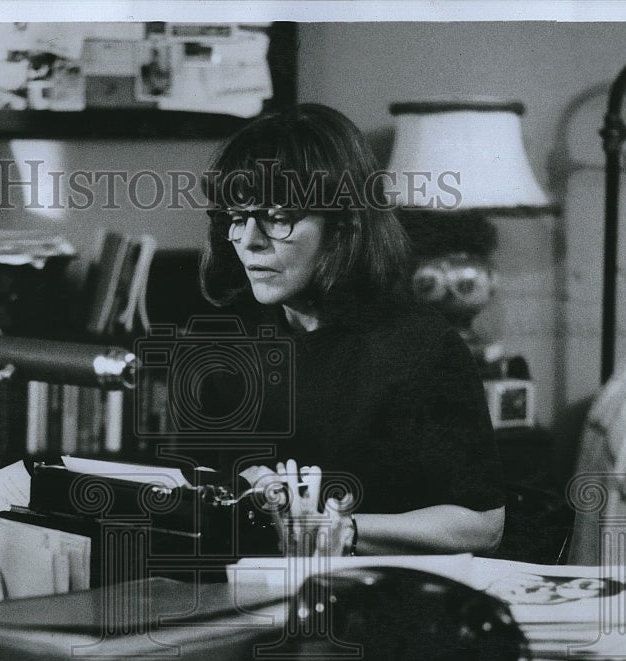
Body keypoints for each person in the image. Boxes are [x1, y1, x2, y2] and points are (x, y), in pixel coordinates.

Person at [187, 103, 504, 556]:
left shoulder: (420, 348)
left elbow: (482, 525)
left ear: (343, 225)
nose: (248, 240)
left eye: (277, 217)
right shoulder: (224, 343)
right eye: (237, 218)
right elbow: (199, 492)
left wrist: (343, 529)